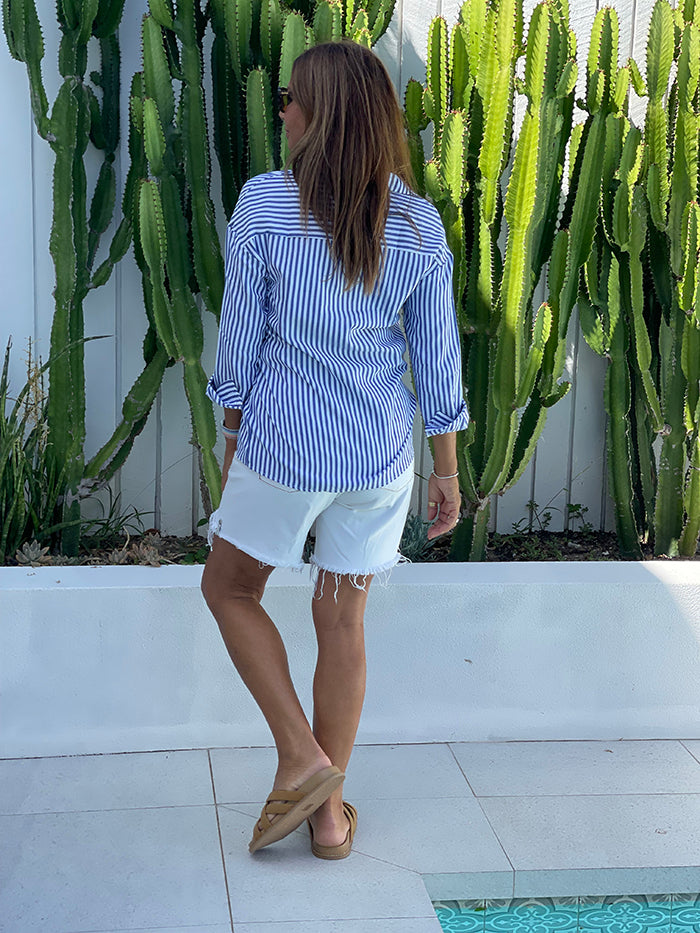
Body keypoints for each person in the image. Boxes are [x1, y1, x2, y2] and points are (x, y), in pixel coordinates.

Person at [201, 39, 469, 860]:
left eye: (290, 97)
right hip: (380, 461)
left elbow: (240, 342)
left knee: (228, 589)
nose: (280, 108)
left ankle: (301, 758)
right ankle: (328, 817)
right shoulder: (418, 222)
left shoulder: (265, 205)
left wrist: (231, 431)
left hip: (282, 450)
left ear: (316, 115)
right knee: (341, 618)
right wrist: (449, 469)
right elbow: (438, 356)